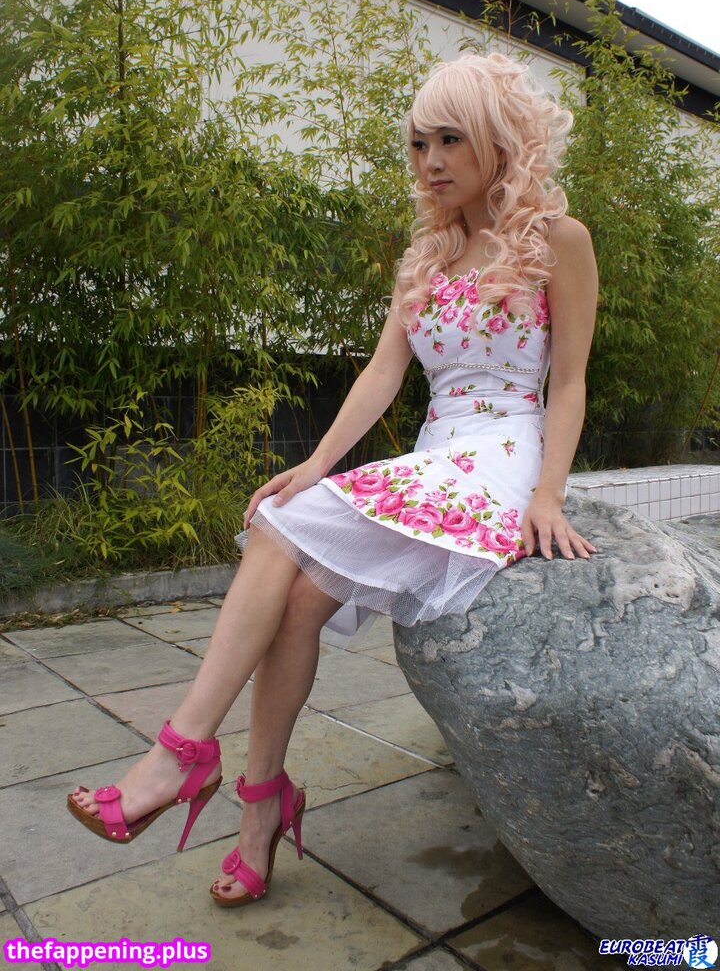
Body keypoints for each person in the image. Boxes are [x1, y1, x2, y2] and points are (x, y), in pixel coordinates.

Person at [68, 51, 599, 908]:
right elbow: (385, 373)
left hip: (504, 455)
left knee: (279, 529)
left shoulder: (559, 240)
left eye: (451, 139)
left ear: (501, 140)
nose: (430, 160)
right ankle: (261, 806)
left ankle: (182, 752)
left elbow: (568, 382)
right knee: (296, 594)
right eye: (419, 142)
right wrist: (317, 464)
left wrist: (549, 496)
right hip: (435, 453)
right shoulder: (428, 252)